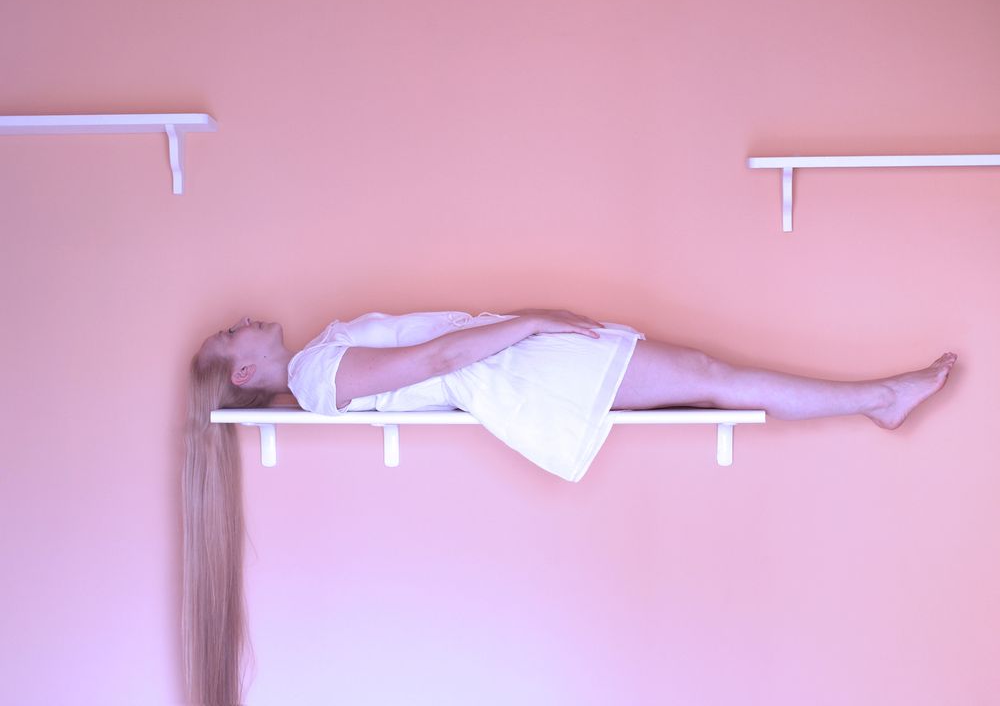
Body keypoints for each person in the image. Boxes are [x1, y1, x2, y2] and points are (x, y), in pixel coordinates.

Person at [183, 307, 956, 705]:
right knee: (709, 376)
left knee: (707, 375)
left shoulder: (317, 358)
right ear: (244, 372)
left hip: (526, 362)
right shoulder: (316, 376)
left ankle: (880, 398)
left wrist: (532, 320)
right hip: (527, 371)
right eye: (228, 335)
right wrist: (534, 322)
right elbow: (438, 358)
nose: (240, 320)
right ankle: (881, 399)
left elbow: (446, 343)